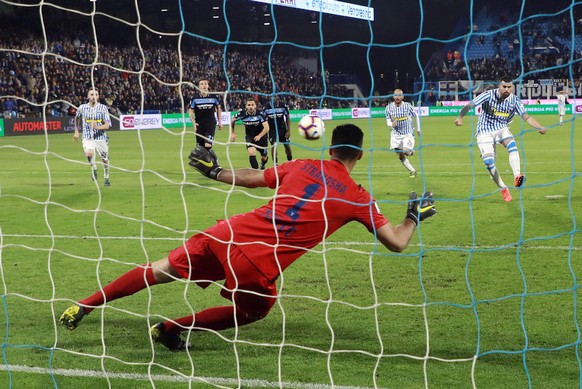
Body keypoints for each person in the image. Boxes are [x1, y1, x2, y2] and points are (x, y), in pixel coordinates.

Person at [59, 123, 437, 351]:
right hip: (258, 261)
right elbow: (397, 242)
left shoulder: (302, 164)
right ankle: (173, 327)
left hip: (228, 232)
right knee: (255, 311)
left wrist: (215, 171)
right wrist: (413, 217)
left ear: (330, 147)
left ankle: (84, 305)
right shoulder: (357, 197)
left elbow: (253, 179)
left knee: (159, 268)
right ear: (359, 154)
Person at [454, 75, 547, 202]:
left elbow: (526, 116)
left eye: (509, 87)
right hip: (484, 130)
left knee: (512, 144)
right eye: (504, 87)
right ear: (499, 86)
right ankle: (503, 188)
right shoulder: (488, 95)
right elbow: (470, 105)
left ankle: (517, 176)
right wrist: (460, 117)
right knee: (488, 162)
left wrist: (539, 126)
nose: (506, 90)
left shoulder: (514, 100)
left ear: (513, 88)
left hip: (501, 128)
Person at [73, 87, 112, 186]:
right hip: (87, 137)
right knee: (89, 154)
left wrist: (97, 127)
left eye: (96, 94)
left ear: (98, 96)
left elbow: (107, 125)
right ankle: (94, 167)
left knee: (105, 159)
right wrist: (76, 132)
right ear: (87, 96)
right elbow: (77, 118)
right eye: (91, 94)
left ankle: (106, 177)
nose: (94, 96)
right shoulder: (82, 108)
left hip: (100, 137)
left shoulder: (103, 108)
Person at [385, 89, 422, 177]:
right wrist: (391, 124)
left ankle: (409, 152)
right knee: (400, 155)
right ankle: (412, 171)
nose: (397, 97)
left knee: (405, 150)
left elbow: (416, 116)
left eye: (399, 95)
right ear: (393, 96)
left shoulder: (407, 106)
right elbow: (387, 121)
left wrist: (418, 129)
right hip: (395, 135)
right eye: (396, 95)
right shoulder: (388, 108)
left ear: (402, 96)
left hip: (407, 133)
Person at [188, 79, 223, 162]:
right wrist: (193, 122)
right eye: (202, 84)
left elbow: (218, 108)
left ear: (208, 86)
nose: (204, 85)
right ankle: (207, 164)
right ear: (199, 86)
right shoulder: (195, 98)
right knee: (200, 148)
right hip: (200, 125)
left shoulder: (214, 97)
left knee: (207, 145)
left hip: (210, 124)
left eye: (205, 84)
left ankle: (215, 161)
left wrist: (220, 121)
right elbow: (190, 111)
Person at [230, 97, 270, 169]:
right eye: (248, 105)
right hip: (250, 136)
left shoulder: (260, 114)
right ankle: (256, 173)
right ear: (246, 106)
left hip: (262, 137)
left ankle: (263, 164)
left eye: (252, 105)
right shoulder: (242, 114)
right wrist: (232, 132)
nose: (250, 107)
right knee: (251, 152)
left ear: (255, 106)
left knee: (264, 157)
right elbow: (232, 120)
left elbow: (266, 127)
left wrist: (259, 136)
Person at [263, 97, 293, 166]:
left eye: (277, 100)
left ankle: (290, 161)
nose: (275, 101)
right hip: (272, 130)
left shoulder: (282, 106)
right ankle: (275, 164)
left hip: (282, 129)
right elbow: (263, 119)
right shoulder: (266, 107)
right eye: (274, 100)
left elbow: (287, 117)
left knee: (287, 146)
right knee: (274, 145)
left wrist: (288, 130)